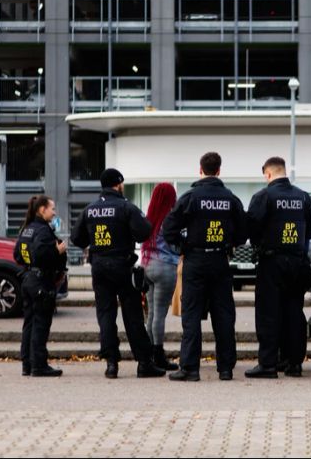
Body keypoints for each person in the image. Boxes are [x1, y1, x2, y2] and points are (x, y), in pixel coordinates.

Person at [71, 168, 165, 379]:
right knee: (132, 315)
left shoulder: (90, 209)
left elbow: (77, 239)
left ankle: (111, 363)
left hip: (99, 267)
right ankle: (143, 363)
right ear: (119, 184)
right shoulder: (125, 207)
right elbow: (144, 232)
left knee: (105, 315)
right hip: (122, 266)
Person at [162, 152, 247, 382]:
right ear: (219, 171)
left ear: (200, 170)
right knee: (224, 316)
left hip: (195, 261)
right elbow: (243, 232)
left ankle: (190, 369)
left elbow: (167, 229)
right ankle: (226, 369)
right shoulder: (230, 199)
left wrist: (182, 247)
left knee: (191, 316)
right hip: (220, 261)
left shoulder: (190, 197)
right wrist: (229, 244)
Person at [245, 157, 311, 379]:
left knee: (268, 313)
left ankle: (267, 364)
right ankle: (293, 363)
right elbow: (310, 230)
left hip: (271, 262)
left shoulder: (264, 196)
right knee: (294, 312)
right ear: (284, 171)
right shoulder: (303, 197)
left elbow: (252, 228)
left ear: (267, 174)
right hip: (297, 262)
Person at [15, 195, 67, 378]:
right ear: (42, 210)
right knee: (40, 325)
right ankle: (39, 365)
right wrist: (58, 251)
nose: (54, 212)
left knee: (29, 323)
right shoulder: (43, 231)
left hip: (29, 279)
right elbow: (42, 254)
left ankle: (27, 364)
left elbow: (18, 255)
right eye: (51, 208)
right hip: (41, 282)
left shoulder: (27, 229)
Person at [141, 182, 180, 371]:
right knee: (160, 315)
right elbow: (176, 245)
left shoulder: (150, 217)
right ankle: (159, 355)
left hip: (147, 265)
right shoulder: (170, 219)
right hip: (165, 267)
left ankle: (148, 355)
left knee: (151, 314)